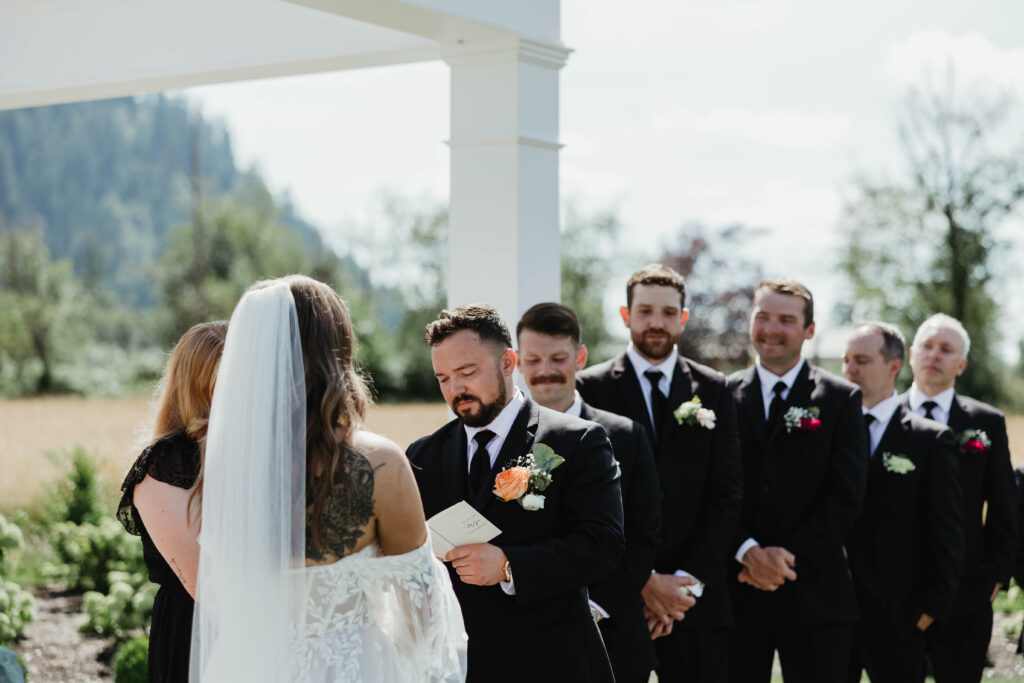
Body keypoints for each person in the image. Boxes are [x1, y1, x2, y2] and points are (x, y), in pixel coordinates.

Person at [189, 276, 466, 683]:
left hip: (248, 665)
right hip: (352, 668)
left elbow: (220, 592)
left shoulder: (224, 464)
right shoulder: (380, 464)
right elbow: (423, 617)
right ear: (336, 353)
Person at [407, 303, 624, 683]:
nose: (456, 389)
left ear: (508, 362)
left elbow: (602, 546)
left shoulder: (577, 441)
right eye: (443, 378)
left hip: (552, 663)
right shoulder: (423, 455)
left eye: (467, 372)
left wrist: (509, 565)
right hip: (460, 667)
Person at [576, 263, 743, 683]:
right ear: (625, 315)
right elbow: (587, 502)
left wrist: (686, 584)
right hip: (617, 599)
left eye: (668, 313)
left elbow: (726, 494)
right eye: (646, 310)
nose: (656, 322)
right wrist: (643, 581)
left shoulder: (715, 389)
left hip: (696, 599)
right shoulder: (590, 388)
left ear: (683, 319)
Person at [725, 279, 867, 683]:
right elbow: (712, 490)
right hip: (737, 590)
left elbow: (846, 495)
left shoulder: (841, 398)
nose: (771, 328)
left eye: (786, 319)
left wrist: (784, 560)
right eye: (762, 316)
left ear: (809, 329)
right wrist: (747, 550)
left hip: (817, 592)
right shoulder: (721, 393)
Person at [516, 302, 661, 683]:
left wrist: (594, 607)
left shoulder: (627, 436)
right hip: (526, 637)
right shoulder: (504, 442)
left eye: (558, 358)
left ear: (579, 357)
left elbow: (643, 536)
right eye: (533, 359)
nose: (546, 370)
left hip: (613, 634)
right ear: (517, 363)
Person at [841, 322, 964, 683]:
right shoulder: (827, 430)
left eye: (861, 360)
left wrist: (929, 611)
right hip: (829, 613)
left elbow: (947, 532)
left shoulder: (930, 439)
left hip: (899, 616)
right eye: (846, 360)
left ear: (894, 367)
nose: (849, 370)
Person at [899, 313, 1016, 682]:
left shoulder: (988, 422)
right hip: (898, 588)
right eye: (928, 347)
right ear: (912, 354)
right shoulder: (883, 416)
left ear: (961, 364)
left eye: (946, 349)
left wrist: (997, 574)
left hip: (968, 589)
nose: (935, 355)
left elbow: (1004, 504)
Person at [118, 321, 227, 683]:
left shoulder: (257, 453)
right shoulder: (164, 464)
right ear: (198, 386)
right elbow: (203, 585)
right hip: (196, 630)